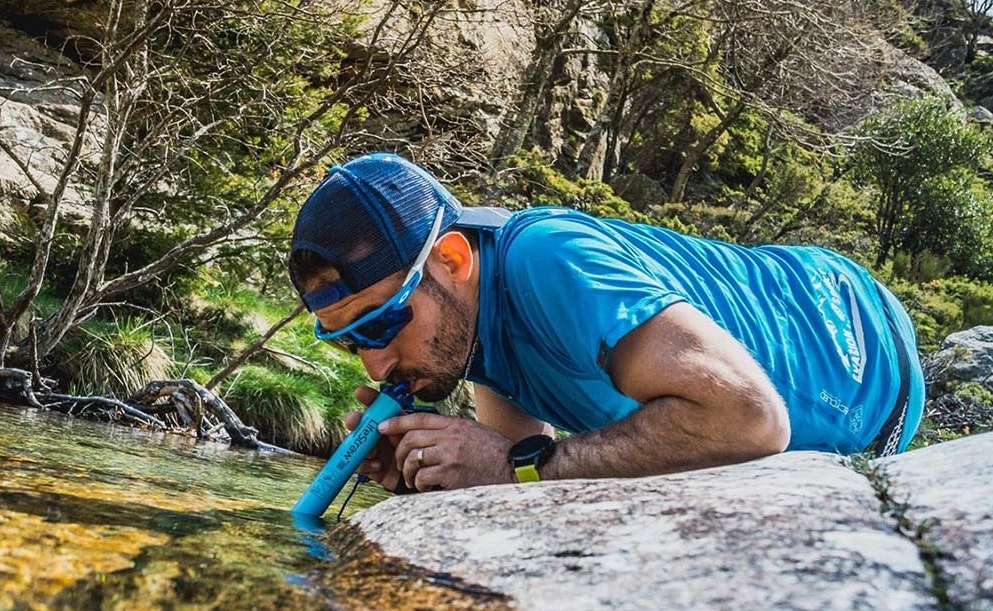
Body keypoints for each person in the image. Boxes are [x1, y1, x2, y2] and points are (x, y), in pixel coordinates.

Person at [288, 152, 925, 493]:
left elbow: (750, 420)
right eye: (349, 340)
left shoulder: (546, 259)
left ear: (453, 259)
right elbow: (514, 482)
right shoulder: (476, 331)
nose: (376, 363)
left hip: (855, 343)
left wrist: (514, 465)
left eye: (381, 324)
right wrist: (427, 473)